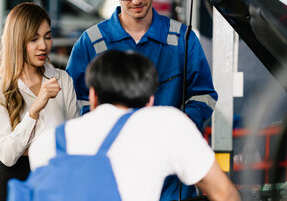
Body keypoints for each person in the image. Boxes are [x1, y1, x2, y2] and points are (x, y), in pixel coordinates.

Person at [65, 0, 218, 199]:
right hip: (111, 174)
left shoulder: (182, 39)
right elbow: (75, 100)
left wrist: (178, 128)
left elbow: (204, 95)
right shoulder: (91, 42)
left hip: (170, 182)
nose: (136, 0)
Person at [28, 50, 240, 201]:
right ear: (150, 100)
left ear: (92, 96)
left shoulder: (47, 143)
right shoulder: (168, 124)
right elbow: (225, 194)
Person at [0, 2, 79, 201]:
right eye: (34, 39)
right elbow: (8, 155)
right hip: (12, 179)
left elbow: (74, 139)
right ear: (17, 41)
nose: (43, 46)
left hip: (55, 175)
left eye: (47, 36)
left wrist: (26, 144)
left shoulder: (62, 80)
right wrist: (36, 108)